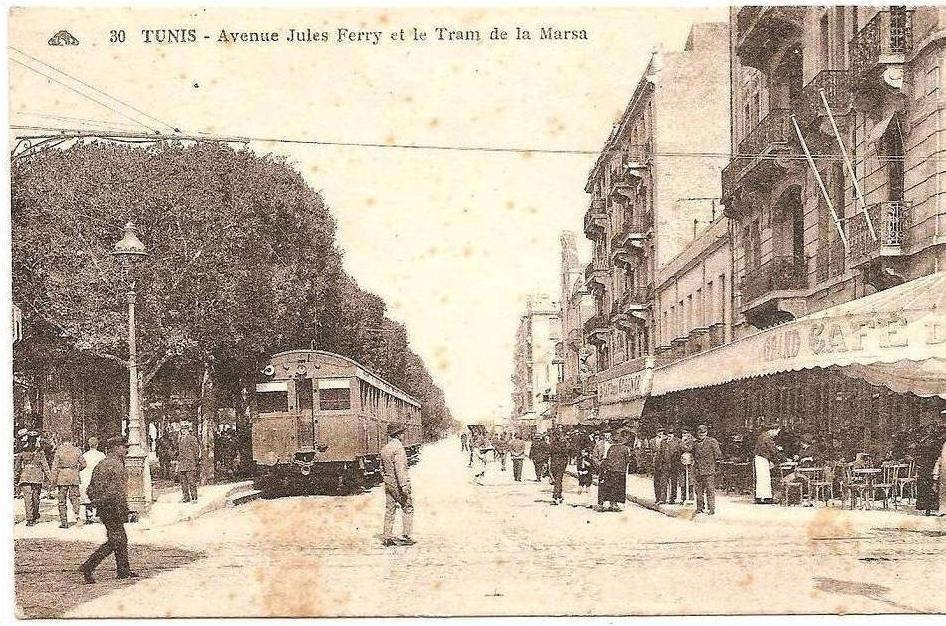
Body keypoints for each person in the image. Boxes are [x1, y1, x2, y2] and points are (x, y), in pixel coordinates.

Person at [80, 437, 137, 583]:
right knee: (115, 540)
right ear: (115, 448)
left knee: (120, 539)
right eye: (124, 447)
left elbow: (90, 488)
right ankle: (88, 566)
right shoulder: (113, 465)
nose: (127, 449)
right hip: (112, 506)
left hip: (107, 505)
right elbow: (116, 491)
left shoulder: (105, 463)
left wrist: (96, 501)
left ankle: (123, 570)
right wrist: (120, 508)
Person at [380, 423, 415, 546]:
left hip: (388, 482)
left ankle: (387, 537)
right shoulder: (398, 448)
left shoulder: (385, 448)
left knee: (390, 508)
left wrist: (386, 478)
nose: (403, 435)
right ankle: (406, 535)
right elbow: (400, 469)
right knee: (408, 506)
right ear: (398, 434)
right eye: (402, 433)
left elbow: (381, 468)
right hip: (397, 482)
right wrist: (404, 485)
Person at [51, 437, 87, 528]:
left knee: (62, 500)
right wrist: (76, 470)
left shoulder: (59, 450)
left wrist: (53, 480)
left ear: (62, 441)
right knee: (75, 498)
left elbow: (54, 467)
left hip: (62, 477)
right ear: (71, 441)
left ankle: (64, 522)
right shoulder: (77, 450)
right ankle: (77, 517)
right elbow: (84, 464)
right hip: (74, 476)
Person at [15, 435, 50, 526]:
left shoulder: (23, 452)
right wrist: (50, 478)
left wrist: (16, 479)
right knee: (35, 498)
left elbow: (17, 467)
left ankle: (29, 519)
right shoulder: (40, 452)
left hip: (25, 477)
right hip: (37, 477)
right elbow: (45, 466)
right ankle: (34, 515)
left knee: (27, 498)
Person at [692, 424, 723, 515]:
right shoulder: (695, 443)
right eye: (700, 433)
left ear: (706, 432)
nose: (701, 434)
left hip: (709, 470)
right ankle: (700, 507)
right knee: (698, 491)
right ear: (697, 433)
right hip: (698, 470)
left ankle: (711, 508)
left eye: (704, 432)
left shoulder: (712, 441)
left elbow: (718, 454)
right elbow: (693, 454)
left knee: (710, 489)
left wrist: (715, 465)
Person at [598, 430, 631, 511]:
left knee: (611, 487)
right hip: (620, 471)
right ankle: (615, 504)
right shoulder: (625, 449)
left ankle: (610, 503)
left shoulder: (611, 448)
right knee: (619, 488)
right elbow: (628, 460)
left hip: (611, 470)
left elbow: (607, 458)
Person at [80, 437, 106, 524]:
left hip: (87, 478)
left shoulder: (85, 455)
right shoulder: (102, 455)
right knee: (100, 496)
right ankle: (101, 515)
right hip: (98, 478)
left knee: (88, 498)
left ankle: (89, 516)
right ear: (97, 445)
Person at [753, 427, 781, 504]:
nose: (777, 434)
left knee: (761, 478)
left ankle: (759, 497)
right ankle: (766, 498)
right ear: (772, 430)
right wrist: (783, 458)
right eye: (777, 432)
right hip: (762, 459)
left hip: (760, 458)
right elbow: (773, 450)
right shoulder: (767, 438)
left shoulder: (763, 436)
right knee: (765, 478)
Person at [177, 422, 201, 503]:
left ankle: (194, 498)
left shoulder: (192, 438)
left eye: (185, 429)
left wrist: (196, 461)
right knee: (183, 482)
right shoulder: (180, 439)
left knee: (191, 481)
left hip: (190, 463)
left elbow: (196, 450)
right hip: (182, 464)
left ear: (188, 430)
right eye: (182, 429)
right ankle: (186, 498)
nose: (183, 431)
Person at [548, 429, 570, 505]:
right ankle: (556, 496)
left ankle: (558, 495)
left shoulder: (552, 444)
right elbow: (567, 453)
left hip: (554, 463)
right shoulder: (564, 443)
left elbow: (549, 453)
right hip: (561, 464)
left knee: (557, 480)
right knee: (559, 480)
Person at [652, 428, 670, 504]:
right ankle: (657, 498)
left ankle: (663, 499)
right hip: (656, 463)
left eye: (662, 432)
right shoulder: (652, 440)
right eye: (659, 431)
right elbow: (653, 450)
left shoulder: (667, 441)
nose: (660, 433)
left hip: (664, 463)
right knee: (656, 481)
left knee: (663, 482)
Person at [666, 430, 684, 504]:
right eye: (668, 434)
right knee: (672, 482)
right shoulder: (665, 441)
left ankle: (682, 498)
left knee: (680, 482)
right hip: (668, 464)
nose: (669, 435)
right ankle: (672, 498)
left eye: (671, 434)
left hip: (677, 464)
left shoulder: (679, 441)